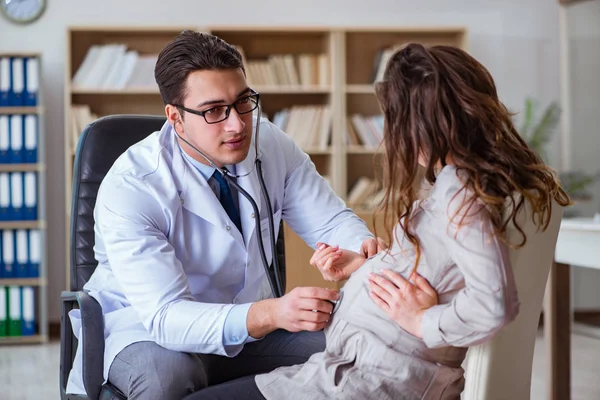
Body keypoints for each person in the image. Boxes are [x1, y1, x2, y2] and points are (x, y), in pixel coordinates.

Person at [188, 43, 571, 399]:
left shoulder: (460, 190)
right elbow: (443, 268)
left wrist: (424, 321)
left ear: (423, 123)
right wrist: (363, 269)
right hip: (362, 367)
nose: (391, 133)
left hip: (371, 377)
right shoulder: (481, 183)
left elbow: (494, 304)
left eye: (394, 119)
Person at [65, 30, 384, 399]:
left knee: (357, 345)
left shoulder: (270, 145)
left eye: (243, 101)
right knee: (164, 377)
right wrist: (271, 313)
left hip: (251, 326)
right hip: (147, 332)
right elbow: (167, 317)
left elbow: (330, 222)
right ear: (175, 118)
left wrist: (360, 250)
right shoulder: (134, 185)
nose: (238, 125)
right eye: (214, 110)